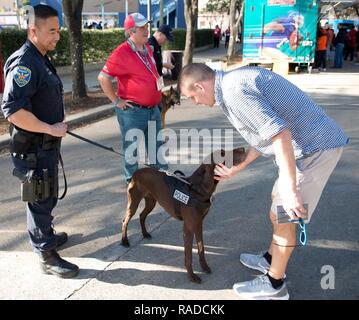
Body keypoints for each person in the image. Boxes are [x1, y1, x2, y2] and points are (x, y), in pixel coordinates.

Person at [178, 63, 348, 300]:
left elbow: (280, 134)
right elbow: (263, 134)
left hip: (314, 150)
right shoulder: (231, 84)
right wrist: (240, 166)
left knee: (285, 215)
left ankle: (275, 284)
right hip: (303, 149)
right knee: (276, 208)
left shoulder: (233, 91)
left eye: (192, 96)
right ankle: (270, 258)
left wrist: (290, 189)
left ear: (199, 85)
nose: (194, 102)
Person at [0, 4, 79, 278]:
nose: (57, 36)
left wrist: (53, 130)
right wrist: (49, 127)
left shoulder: (40, 57)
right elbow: (12, 111)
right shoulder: (24, 62)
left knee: (47, 195)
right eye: (52, 31)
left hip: (45, 145)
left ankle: (46, 235)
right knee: (39, 199)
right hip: (32, 149)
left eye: (59, 30)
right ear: (33, 31)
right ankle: (45, 254)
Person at [98, 13, 168, 184]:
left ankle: (162, 182)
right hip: (133, 112)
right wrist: (116, 101)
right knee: (131, 151)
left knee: (156, 147)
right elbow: (103, 77)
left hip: (153, 109)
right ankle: (132, 184)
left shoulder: (148, 48)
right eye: (142, 28)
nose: (146, 30)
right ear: (131, 32)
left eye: (146, 26)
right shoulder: (121, 52)